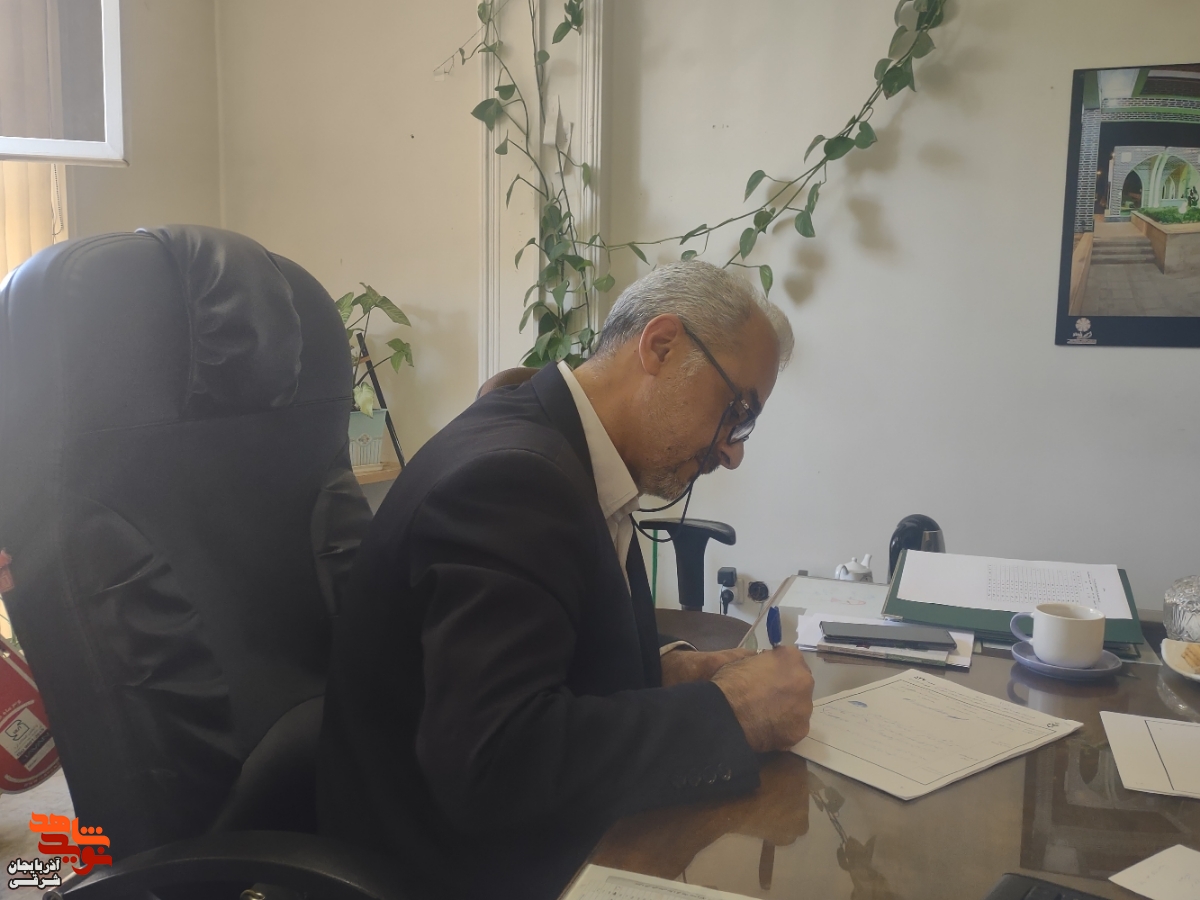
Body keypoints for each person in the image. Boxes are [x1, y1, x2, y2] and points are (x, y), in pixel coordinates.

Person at [319, 261, 815, 899]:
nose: (734, 450)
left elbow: (549, 648)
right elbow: (495, 762)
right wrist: (731, 714)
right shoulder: (512, 480)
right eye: (737, 411)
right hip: (446, 873)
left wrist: (665, 670)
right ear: (662, 346)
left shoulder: (571, 449)